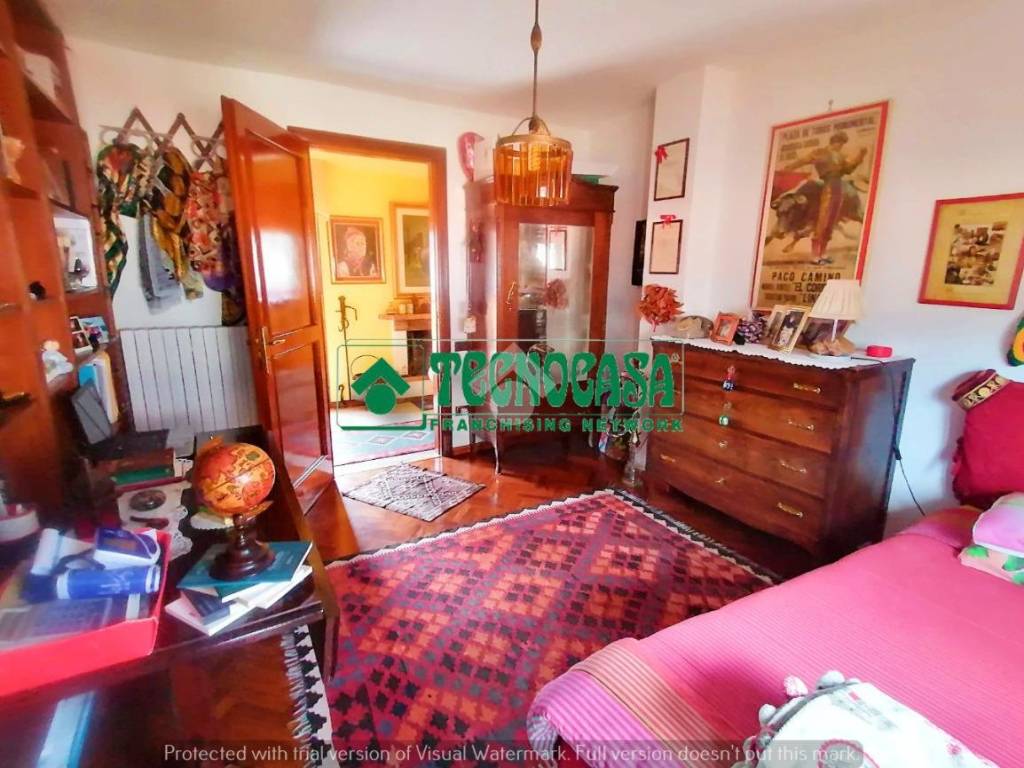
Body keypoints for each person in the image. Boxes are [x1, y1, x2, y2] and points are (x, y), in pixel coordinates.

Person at [783, 130, 868, 265]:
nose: (841, 146)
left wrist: (860, 156)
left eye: (842, 144)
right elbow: (803, 160)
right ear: (834, 142)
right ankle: (815, 255)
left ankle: (822, 253)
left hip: (838, 187)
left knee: (831, 221)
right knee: (823, 220)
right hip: (827, 186)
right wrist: (789, 167)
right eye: (840, 143)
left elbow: (848, 169)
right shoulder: (820, 152)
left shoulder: (840, 156)